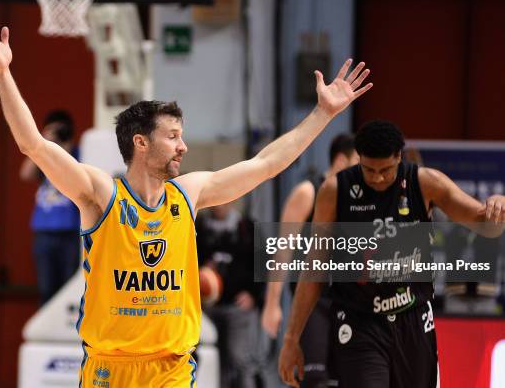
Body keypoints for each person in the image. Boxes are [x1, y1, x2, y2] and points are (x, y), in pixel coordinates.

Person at [0, 7, 372, 387]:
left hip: (171, 368)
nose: (183, 146)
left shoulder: (189, 193)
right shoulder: (101, 195)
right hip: (109, 366)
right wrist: (3, 74)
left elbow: (266, 163)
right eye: (172, 137)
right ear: (140, 142)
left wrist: (322, 113)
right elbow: (32, 144)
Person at [278, 120, 505, 388]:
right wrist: (291, 338)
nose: (376, 177)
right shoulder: (334, 191)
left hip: (413, 319)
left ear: (399, 157)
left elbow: (484, 225)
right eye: (368, 169)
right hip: (360, 322)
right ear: (358, 159)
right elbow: (313, 268)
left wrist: (498, 207)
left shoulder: (425, 183)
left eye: (385, 170)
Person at [262, 133, 357, 388]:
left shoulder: (356, 199)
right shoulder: (307, 191)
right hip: (313, 303)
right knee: (314, 379)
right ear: (340, 160)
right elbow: (281, 249)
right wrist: (272, 304)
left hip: (346, 301)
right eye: (357, 162)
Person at [196, 202, 263, 388]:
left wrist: (254, 295)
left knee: (238, 357)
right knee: (211, 357)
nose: (219, 205)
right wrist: (201, 273)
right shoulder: (198, 228)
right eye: (215, 201)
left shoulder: (247, 228)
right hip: (206, 307)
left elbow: (263, 265)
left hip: (236, 307)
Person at [19, 110, 80, 305]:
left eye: (60, 130)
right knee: (46, 287)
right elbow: (25, 174)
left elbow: (77, 171)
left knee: (69, 284)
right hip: (44, 232)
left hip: (70, 233)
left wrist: (65, 146)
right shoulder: (43, 155)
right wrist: (41, 143)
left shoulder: (78, 152)